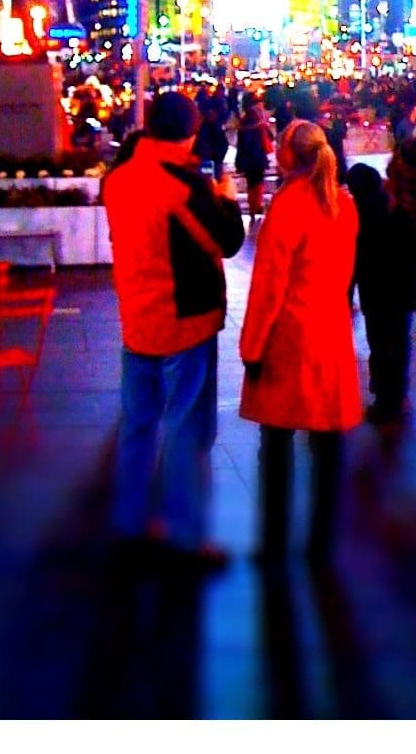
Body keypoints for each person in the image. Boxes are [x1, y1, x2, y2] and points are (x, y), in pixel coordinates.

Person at [104, 90, 244, 570]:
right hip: (184, 322)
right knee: (187, 429)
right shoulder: (182, 187)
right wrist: (224, 200)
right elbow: (226, 242)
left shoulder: (118, 178)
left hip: (136, 317)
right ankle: (185, 536)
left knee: (138, 424)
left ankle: (130, 521)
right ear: (188, 133)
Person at [240, 121, 362, 561]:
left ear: (290, 155)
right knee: (328, 443)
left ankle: (274, 539)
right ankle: (321, 540)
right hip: (330, 330)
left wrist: (252, 347)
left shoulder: (288, 206)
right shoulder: (342, 203)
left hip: (290, 336)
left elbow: (269, 285)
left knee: (277, 442)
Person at [354, 146, 416, 424]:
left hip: (374, 286)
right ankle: (396, 393)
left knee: (379, 341)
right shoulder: (411, 208)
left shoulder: (365, 210)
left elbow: (358, 251)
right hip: (404, 285)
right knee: (399, 342)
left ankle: (384, 392)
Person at [235, 96, 274, 223]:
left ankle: (254, 207)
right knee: (257, 182)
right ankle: (256, 205)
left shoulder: (245, 119)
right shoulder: (256, 119)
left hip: (249, 157)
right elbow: (269, 137)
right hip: (256, 156)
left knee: (252, 182)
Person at [192, 101, 229, 182]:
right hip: (210, 159)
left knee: (207, 180)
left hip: (208, 159)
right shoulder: (213, 128)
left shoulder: (205, 128)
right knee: (209, 180)